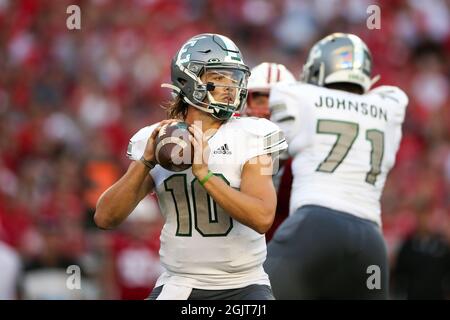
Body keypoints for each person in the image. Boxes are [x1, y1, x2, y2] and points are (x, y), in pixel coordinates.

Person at [94, 33, 287, 300]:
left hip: (244, 285)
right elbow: (105, 218)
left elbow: (262, 217)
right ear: (189, 79)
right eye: (219, 78)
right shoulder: (161, 139)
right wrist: (145, 162)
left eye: (234, 78)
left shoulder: (254, 133)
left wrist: (204, 174)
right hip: (179, 283)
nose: (231, 87)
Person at [264, 33, 409, 299]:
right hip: (371, 242)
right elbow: (386, 96)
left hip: (315, 226)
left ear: (320, 69)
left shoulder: (299, 97)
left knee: (251, 297)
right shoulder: (390, 105)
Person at [244, 62, 296, 241]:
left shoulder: (302, 154)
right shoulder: (228, 140)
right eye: (261, 99)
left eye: (278, 101)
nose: (269, 109)